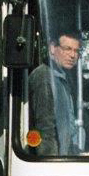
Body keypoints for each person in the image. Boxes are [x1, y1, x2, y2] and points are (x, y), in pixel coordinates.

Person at [28, 28, 82, 156]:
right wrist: (51, 165)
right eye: (67, 49)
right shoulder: (44, 77)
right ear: (52, 48)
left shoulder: (61, 76)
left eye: (76, 50)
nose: (73, 55)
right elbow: (45, 131)